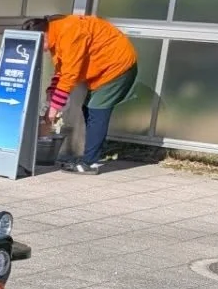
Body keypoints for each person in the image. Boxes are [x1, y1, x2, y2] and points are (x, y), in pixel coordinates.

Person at [24, 14, 138, 174]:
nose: (37, 51)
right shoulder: (56, 32)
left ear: (43, 35)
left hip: (117, 67)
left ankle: (89, 163)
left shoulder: (70, 33)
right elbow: (61, 69)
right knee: (88, 109)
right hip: (103, 70)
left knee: (97, 111)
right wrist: (52, 93)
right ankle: (90, 156)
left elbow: (70, 75)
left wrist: (53, 110)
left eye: (36, 45)